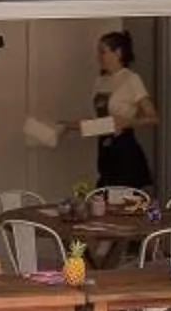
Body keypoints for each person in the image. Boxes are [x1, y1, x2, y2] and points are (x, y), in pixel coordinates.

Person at [66, 30, 156, 193]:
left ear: (118, 53)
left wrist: (129, 121)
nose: (99, 57)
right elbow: (98, 121)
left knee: (124, 202)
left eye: (103, 52)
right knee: (103, 196)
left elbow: (153, 117)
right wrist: (67, 126)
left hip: (124, 149)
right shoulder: (100, 81)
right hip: (104, 148)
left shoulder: (131, 79)